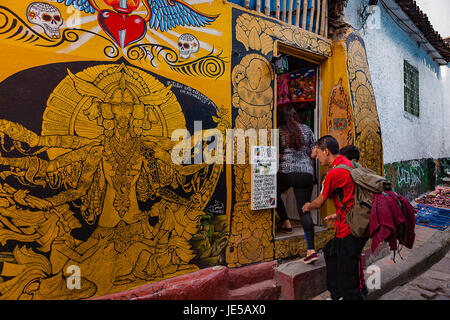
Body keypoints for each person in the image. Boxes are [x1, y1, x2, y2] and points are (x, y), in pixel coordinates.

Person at [302, 136, 368, 300]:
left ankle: (344, 294)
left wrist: (307, 206)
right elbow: (351, 199)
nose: (316, 157)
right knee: (331, 251)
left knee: (349, 285)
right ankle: (337, 294)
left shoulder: (333, 173)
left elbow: (319, 202)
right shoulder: (350, 164)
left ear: (326, 151)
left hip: (349, 231)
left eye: (318, 153)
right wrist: (337, 214)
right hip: (356, 225)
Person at [276, 104, 318, 264]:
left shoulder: (280, 130)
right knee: (304, 210)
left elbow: (276, 152)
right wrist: (305, 155)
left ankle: (286, 222)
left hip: (286, 172)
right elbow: (314, 152)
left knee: (272, 192)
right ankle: (311, 250)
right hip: (305, 173)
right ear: (295, 115)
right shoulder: (307, 129)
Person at [339, 144, 368, 297]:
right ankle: (362, 286)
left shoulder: (357, 174)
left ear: (354, 160)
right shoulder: (359, 173)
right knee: (355, 256)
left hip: (356, 223)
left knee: (352, 257)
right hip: (356, 222)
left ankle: (359, 288)